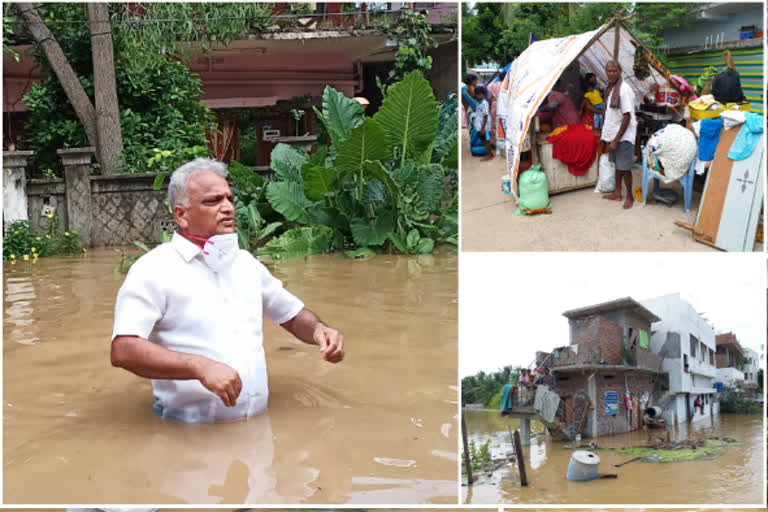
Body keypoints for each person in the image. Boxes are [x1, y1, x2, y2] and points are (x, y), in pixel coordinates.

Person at [110, 158, 345, 423]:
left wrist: (319, 331)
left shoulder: (245, 264)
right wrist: (199, 366)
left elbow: (291, 315)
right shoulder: (154, 269)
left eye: (229, 199)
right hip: (185, 437)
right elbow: (124, 349)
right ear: (181, 215)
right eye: (213, 201)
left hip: (256, 435)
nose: (228, 208)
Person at [601, 60, 637, 209]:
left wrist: (616, 140)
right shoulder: (611, 88)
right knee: (617, 165)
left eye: (614, 71)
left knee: (625, 167)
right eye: (609, 71)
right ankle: (617, 193)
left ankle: (629, 196)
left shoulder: (623, 89)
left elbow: (627, 116)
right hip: (614, 133)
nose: (611, 74)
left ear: (620, 72)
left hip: (623, 135)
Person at [470, 85, 493, 160]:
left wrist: (483, 128)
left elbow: (485, 116)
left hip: (484, 126)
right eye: (477, 94)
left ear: (483, 94)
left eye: (480, 94)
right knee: (483, 139)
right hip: (480, 125)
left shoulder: (484, 103)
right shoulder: (479, 102)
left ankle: (489, 154)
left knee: (486, 140)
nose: (478, 96)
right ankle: (489, 153)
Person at [488, 71, 506, 149]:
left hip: (495, 106)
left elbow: (489, 98)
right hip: (504, 107)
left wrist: (489, 107)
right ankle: (503, 143)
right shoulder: (508, 86)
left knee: (493, 124)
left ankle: (494, 143)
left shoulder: (492, 86)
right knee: (503, 124)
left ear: (499, 78)